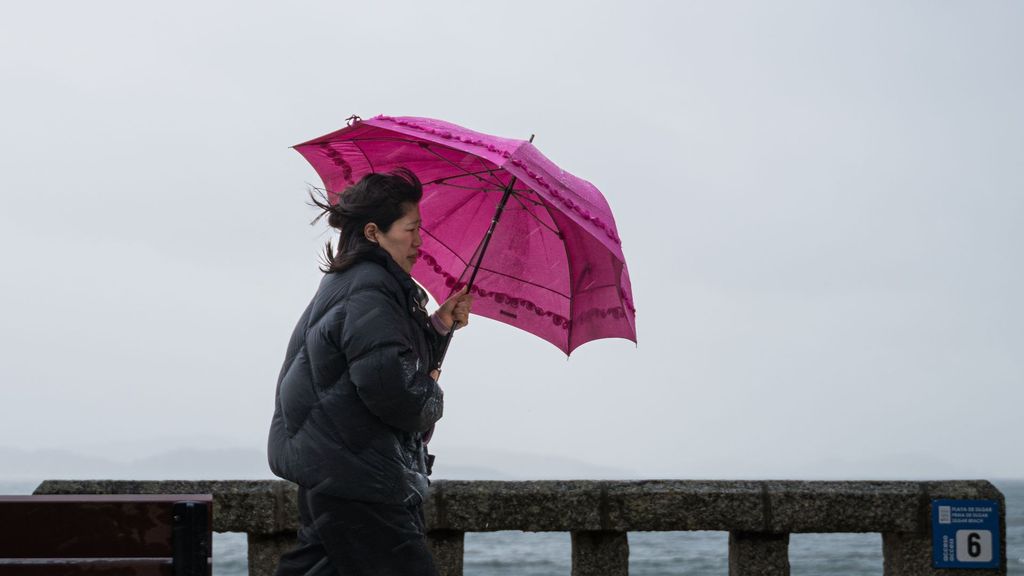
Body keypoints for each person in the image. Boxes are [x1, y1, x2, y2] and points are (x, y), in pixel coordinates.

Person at [267, 168, 472, 576]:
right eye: (411, 229)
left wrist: (439, 326)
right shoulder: (371, 289)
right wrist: (430, 395)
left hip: (335, 467)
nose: (418, 241)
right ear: (375, 232)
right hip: (359, 478)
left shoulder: (356, 282)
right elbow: (393, 392)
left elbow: (375, 359)